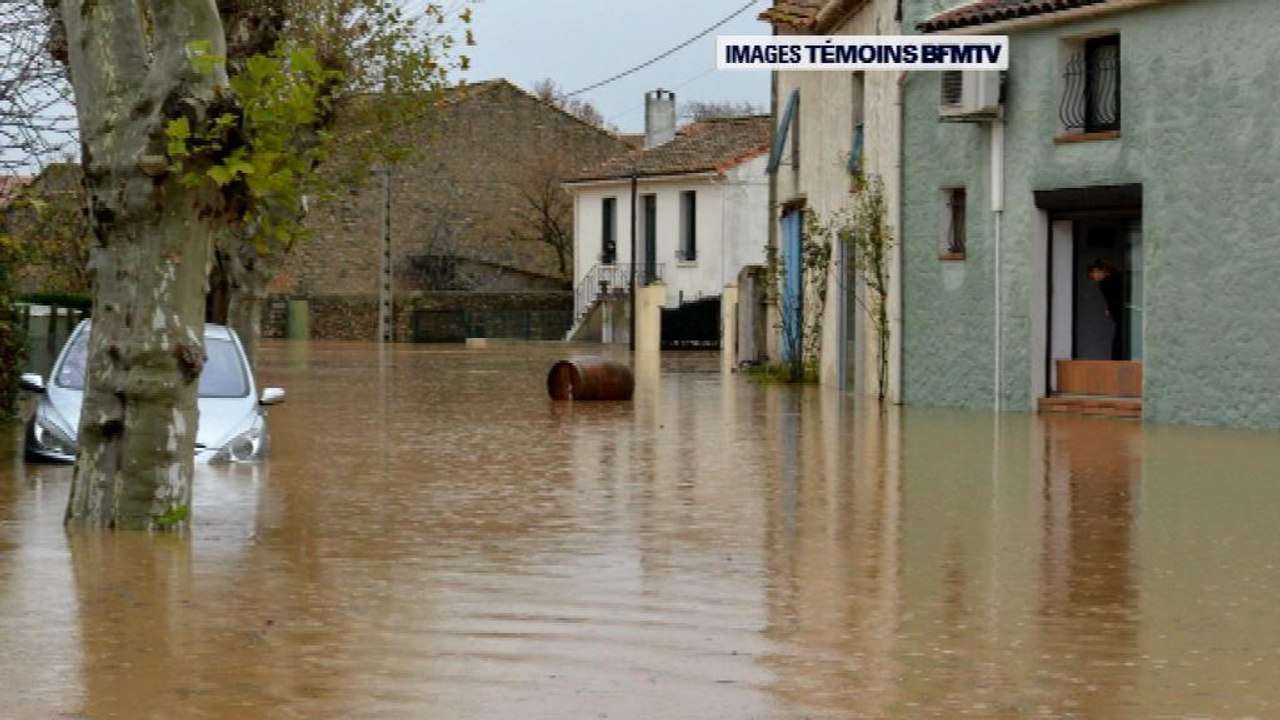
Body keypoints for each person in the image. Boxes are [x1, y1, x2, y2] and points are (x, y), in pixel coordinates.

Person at [1087, 259, 1125, 360]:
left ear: (1101, 271)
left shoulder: (1106, 283)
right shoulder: (1116, 278)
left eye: (1094, 272)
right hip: (1120, 312)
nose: (1093, 276)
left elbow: (1114, 299)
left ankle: (1117, 358)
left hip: (1120, 313)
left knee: (1120, 336)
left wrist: (1110, 309)